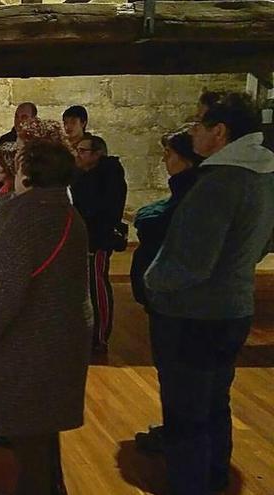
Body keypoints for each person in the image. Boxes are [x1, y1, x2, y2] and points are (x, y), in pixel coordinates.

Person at [144, 92, 274, 495]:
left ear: (220, 132)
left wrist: (152, 278)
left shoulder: (220, 183)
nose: (193, 131)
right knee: (214, 404)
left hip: (194, 316)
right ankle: (214, 476)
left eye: (198, 123)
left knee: (186, 416)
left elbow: (189, 264)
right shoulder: (261, 175)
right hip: (233, 306)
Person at [0, 139, 92, 495]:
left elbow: (7, 295)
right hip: (61, 340)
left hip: (30, 347)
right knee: (44, 439)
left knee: (31, 456)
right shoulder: (67, 210)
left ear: (29, 170)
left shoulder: (25, 219)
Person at [130, 125, 203, 453]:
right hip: (166, 299)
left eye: (170, 154)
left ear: (186, 160)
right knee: (174, 377)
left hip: (176, 302)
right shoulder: (189, 190)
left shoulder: (196, 192)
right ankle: (178, 434)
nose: (164, 159)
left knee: (180, 378)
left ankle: (184, 447)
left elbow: (163, 225)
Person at [71, 135, 127, 353]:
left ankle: (100, 336)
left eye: (83, 151)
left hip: (97, 239)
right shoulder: (81, 175)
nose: (78, 154)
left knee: (97, 286)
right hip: (82, 238)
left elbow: (101, 208)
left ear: (97, 154)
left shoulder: (109, 176)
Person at [0, 102, 38, 212]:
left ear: (33, 119)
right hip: (0, 191)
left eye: (24, 117)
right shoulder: (5, 139)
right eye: (16, 116)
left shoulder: (37, 142)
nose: (19, 121)